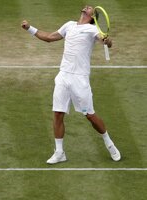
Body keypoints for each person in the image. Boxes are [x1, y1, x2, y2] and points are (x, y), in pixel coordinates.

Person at [21, 5, 121, 164]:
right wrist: (29, 28)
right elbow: (49, 37)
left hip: (80, 79)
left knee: (90, 115)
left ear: (93, 16)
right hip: (63, 76)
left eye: (90, 8)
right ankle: (60, 152)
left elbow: (107, 42)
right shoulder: (69, 25)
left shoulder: (92, 30)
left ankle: (110, 144)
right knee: (57, 113)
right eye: (87, 6)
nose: (87, 7)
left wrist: (107, 40)